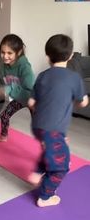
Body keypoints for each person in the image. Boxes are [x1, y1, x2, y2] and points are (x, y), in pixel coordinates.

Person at [28, 34, 88, 207]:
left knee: (49, 146)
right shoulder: (74, 78)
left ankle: (38, 172)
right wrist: (81, 100)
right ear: (70, 56)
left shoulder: (42, 76)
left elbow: (31, 103)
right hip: (52, 129)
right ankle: (45, 196)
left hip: (37, 126)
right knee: (62, 166)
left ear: (47, 56)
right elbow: (83, 101)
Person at [0, 34, 35, 142]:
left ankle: (48, 146)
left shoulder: (25, 67)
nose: (5, 56)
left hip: (33, 99)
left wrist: (9, 89)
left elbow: (29, 89)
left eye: (9, 53)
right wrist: (1, 91)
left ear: (18, 52)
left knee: (39, 126)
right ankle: (3, 137)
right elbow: (4, 83)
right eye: (3, 52)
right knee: (4, 116)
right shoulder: (2, 66)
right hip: (20, 99)